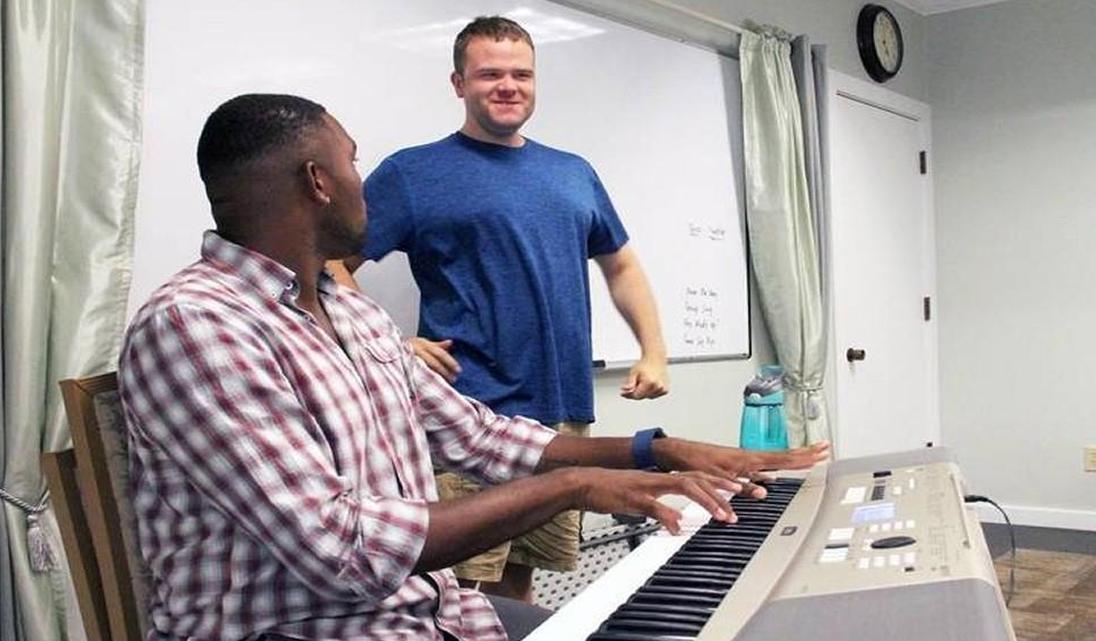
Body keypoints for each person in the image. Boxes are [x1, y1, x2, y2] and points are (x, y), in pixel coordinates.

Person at [119, 93, 829, 641]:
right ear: (318, 181)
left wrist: (657, 448)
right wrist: (576, 484)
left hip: (421, 613)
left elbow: (485, 438)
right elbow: (347, 550)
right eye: (354, 161)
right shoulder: (198, 325)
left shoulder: (353, 313)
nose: (364, 180)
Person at [333, 16, 670, 601]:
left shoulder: (572, 172)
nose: (508, 85)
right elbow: (331, 266)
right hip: (467, 420)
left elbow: (621, 264)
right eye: (490, 74)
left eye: (522, 74)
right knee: (459, 589)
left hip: (561, 416)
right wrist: (390, 343)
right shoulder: (413, 173)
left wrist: (653, 351)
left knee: (517, 585)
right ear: (458, 84)